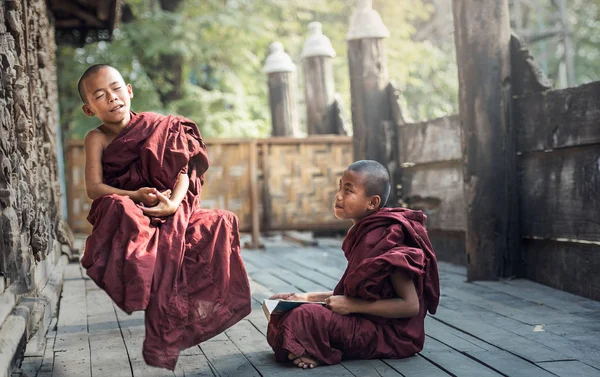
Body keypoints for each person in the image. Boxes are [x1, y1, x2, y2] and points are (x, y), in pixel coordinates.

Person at [78, 64, 252, 371]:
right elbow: (95, 189)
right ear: (88, 109)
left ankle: (191, 309)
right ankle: (143, 283)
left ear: (129, 90)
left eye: (116, 89)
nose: (112, 98)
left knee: (221, 220)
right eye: (100, 95)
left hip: (169, 203)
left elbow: (185, 168)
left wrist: (172, 203)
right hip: (130, 206)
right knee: (118, 208)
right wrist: (135, 196)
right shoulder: (97, 138)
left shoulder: (160, 126)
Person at [266, 160, 440, 368]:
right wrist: (307, 297)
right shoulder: (366, 233)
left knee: (304, 317)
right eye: (340, 187)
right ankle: (310, 348)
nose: (338, 195)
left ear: (372, 203)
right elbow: (359, 293)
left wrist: (353, 306)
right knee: (286, 313)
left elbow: (410, 305)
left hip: (392, 336)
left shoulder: (389, 235)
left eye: (348, 190)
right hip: (366, 320)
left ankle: (317, 351)